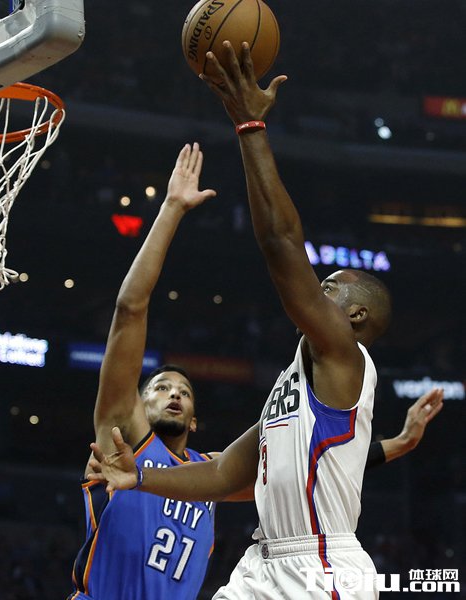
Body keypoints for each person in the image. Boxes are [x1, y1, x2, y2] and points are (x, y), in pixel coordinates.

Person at [86, 43, 445, 599]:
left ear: (354, 316)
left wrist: (250, 126)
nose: (316, 289)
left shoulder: (345, 354)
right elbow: (227, 473)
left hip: (319, 564)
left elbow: (281, 243)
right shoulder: (295, 388)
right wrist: (141, 477)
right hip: (263, 563)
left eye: (329, 288)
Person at [67, 142, 223, 600]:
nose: (174, 394)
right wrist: (172, 208)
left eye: (184, 392)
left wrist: (396, 444)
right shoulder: (124, 437)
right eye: (161, 387)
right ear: (138, 401)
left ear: (194, 420)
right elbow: (129, 309)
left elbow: (299, 450)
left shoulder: (213, 472)